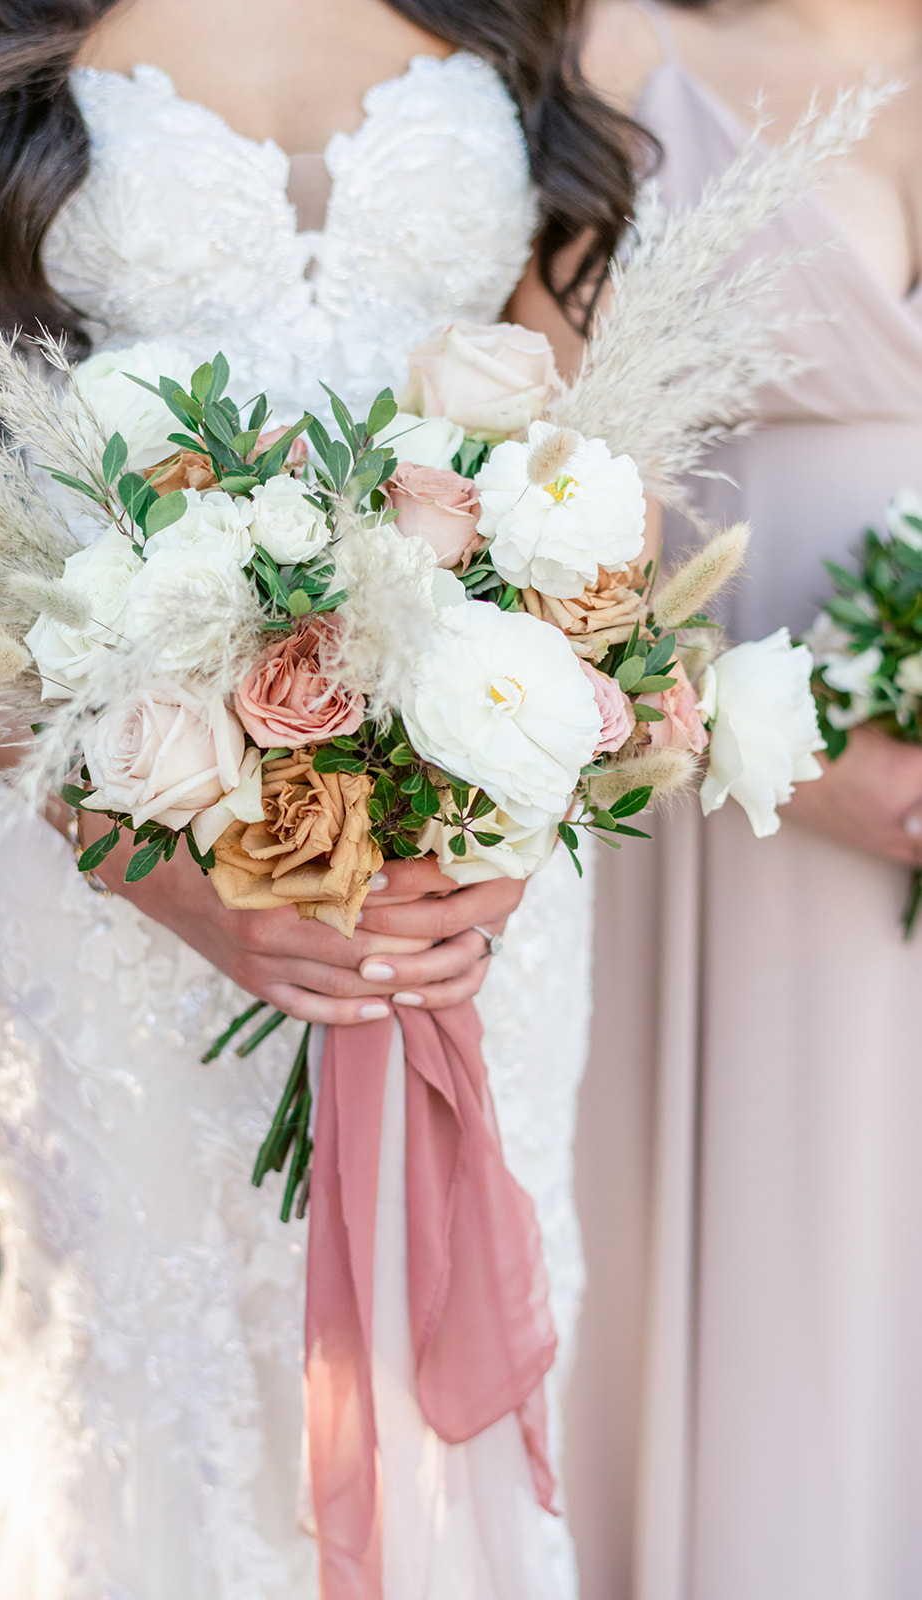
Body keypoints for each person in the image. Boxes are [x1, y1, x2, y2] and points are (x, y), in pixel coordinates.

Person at [0, 0, 645, 1592]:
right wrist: (153, 862)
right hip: (106, 809)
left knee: (448, 1332)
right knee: (158, 1345)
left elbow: (584, 452)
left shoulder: (545, 9)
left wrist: (522, 808)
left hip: (470, 824)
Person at [565, 4, 922, 1598]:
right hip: (708, 794)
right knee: (759, 1274)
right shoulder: (620, 49)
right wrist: (771, 740)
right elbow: (541, 464)